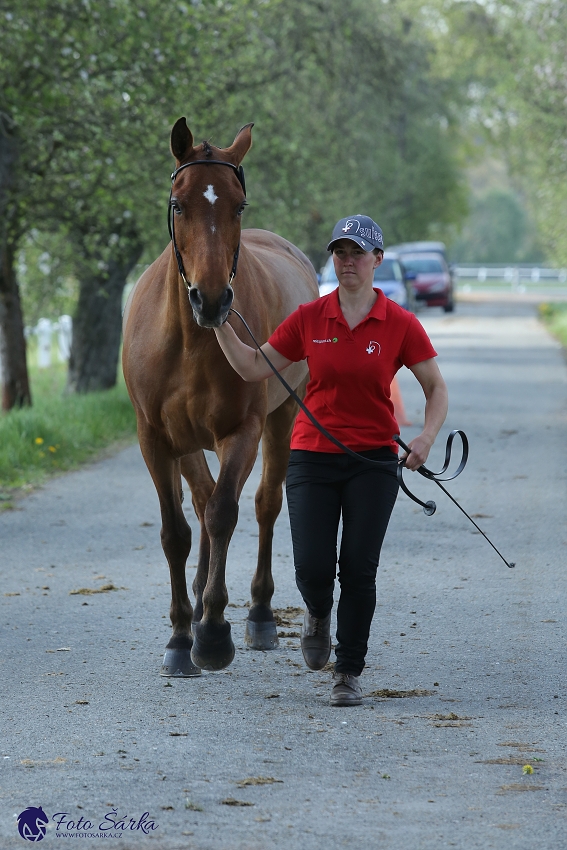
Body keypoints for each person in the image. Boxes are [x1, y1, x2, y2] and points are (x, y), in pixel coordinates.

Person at [214, 215, 448, 706]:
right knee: (313, 569)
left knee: (359, 571)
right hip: (312, 460)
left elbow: (434, 387)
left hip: (374, 462)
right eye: (340, 253)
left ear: (377, 260)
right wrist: (220, 324)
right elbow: (254, 366)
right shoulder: (309, 318)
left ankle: (347, 672)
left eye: (357, 253)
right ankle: (317, 612)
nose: (347, 262)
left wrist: (425, 437)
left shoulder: (400, 323)